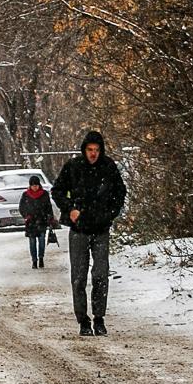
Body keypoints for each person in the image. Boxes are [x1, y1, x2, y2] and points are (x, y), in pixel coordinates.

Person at [52, 129, 128, 336]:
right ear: (84, 150)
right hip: (78, 230)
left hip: (101, 229)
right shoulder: (73, 167)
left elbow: (120, 193)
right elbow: (57, 190)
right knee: (78, 276)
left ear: (101, 151)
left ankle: (99, 318)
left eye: (96, 150)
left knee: (101, 275)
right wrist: (70, 209)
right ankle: (83, 321)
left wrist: (109, 214)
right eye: (90, 150)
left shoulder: (108, 167)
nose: (93, 154)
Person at [18, 175, 56, 269]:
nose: (35, 187)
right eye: (33, 185)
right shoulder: (26, 195)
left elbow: (48, 207)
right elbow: (21, 207)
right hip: (31, 222)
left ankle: (41, 258)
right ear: (30, 186)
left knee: (42, 240)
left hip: (42, 220)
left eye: (36, 185)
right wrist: (26, 215)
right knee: (32, 242)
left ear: (39, 185)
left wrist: (50, 218)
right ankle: (34, 260)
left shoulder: (44, 194)